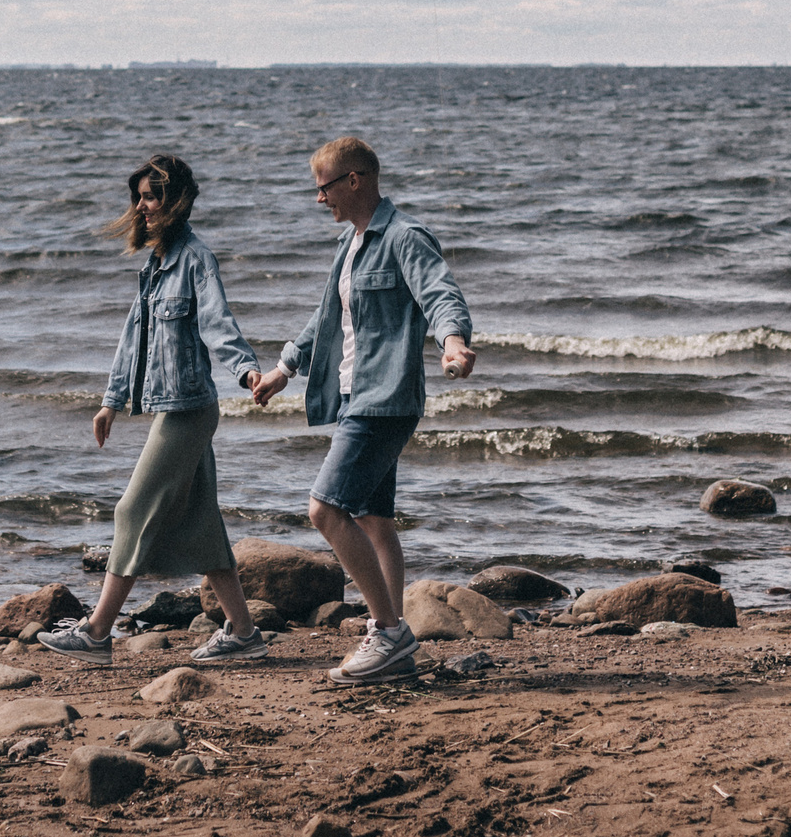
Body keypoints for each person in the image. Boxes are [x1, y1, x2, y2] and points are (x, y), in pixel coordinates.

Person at [251, 136, 474, 684]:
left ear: (354, 180)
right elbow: (327, 320)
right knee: (374, 519)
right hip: (356, 394)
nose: (318, 199)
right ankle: (394, 637)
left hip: (383, 397)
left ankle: (388, 632)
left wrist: (452, 340)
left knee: (325, 510)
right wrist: (285, 368)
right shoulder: (350, 246)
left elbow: (440, 293)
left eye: (322, 187)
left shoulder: (404, 237)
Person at [38, 154, 273, 664]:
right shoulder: (154, 265)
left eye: (150, 197)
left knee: (131, 510)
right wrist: (110, 401)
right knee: (202, 524)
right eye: (139, 197)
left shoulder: (194, 258)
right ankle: (244, 633)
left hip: (189, 409)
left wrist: (246, 370)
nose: (141, 206)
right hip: (177, 406)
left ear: (174, 201)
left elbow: (217, 322)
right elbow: (131, 339)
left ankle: (97, 633)